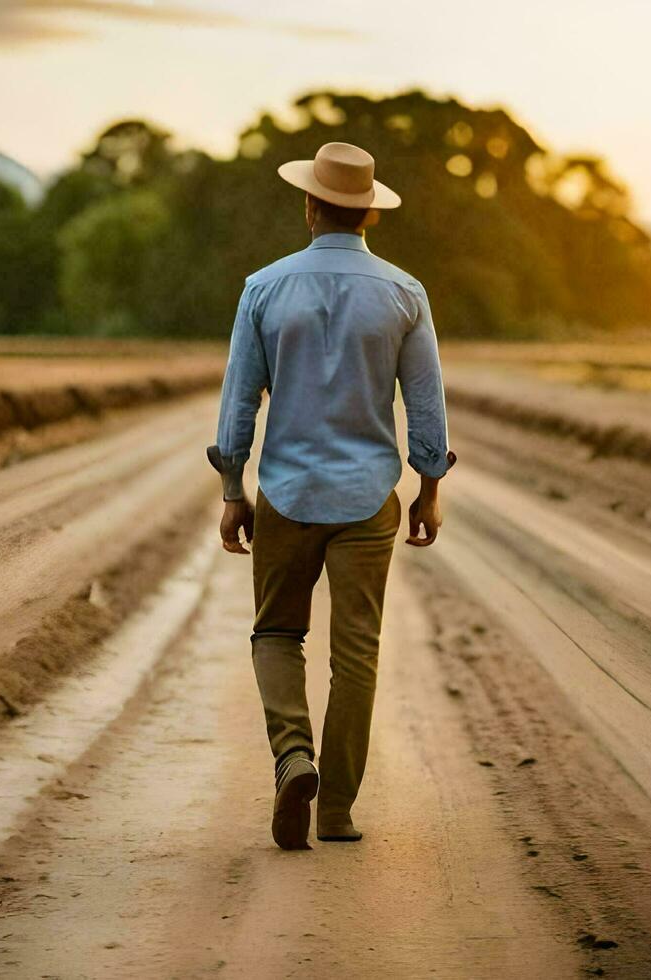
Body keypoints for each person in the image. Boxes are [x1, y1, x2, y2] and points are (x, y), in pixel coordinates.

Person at [207, 141, 454, 851]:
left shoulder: (263, 287)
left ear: (310, 205)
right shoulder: (405, 293)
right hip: (368, 497)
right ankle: (337, 810)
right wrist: (428, 489)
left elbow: (239, 404)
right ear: (369, 215)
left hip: (285, 492)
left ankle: (293, 755)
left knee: (277, 633)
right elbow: (427, 407)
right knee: (358, 655)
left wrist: (233, 488)